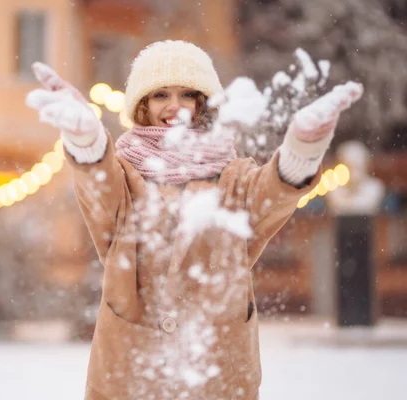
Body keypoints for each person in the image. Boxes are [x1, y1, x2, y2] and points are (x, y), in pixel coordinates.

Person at [26, 40, 363, 400]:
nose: (174, 106)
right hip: (131, 371)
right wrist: (85, 140)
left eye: (187, 94)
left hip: (217, 372)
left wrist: (302, 148)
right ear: (142, 104)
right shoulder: (124, 175)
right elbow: (98, 183)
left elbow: (272, 195)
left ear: (203, 103)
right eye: (160, 95)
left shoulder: (233, 178)